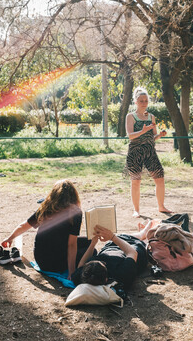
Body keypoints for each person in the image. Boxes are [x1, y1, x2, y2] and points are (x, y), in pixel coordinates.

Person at [0, 180, 91, 277]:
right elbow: (72, 244)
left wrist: (10, 238)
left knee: (88, 241)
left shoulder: (47, 207)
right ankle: (71, 267)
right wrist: (71, 271)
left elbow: (24, 226)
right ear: (74, 195)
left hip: (41, 259)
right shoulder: (75, 212)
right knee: (91, 251)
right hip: (56, 265)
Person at [124, 87, 171, 217]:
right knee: (136, 181)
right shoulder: (130, 116)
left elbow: (152, 137)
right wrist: (143, 131)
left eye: (146, 101)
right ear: (135, 102)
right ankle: (136, 210)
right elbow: (130, 136)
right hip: (135, 152)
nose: (144, 103)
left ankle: (161, 206)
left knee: (160, 178)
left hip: (150, 152)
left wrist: (160, 135)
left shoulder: (152, 117)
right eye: (141, 101)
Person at [71, 223, 151, 290]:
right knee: (141, 238)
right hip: (134, 248)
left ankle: (142, 232)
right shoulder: (121, 275)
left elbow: (80, 266)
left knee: (125, 237)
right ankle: (144, 234)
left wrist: (93, 244)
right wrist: (112, 237)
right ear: (106, 279)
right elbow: (132, 253)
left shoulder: (82, 277)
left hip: (110, 247)